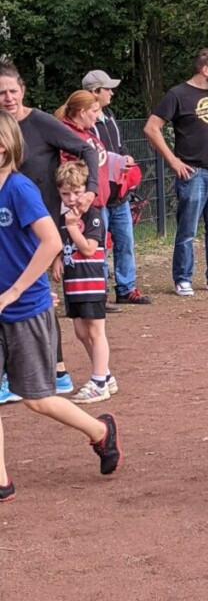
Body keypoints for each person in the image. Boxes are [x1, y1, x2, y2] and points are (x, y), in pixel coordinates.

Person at [0, 111, 121, 503]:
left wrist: (14, 292)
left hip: (23, 309)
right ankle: (1, 480)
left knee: (37, 398)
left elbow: (51, 242)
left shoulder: (18, 189)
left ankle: (100, 431)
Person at [0, 61, 100, 396]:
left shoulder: (40, 122)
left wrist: (89, 191)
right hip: (9, 227)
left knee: (33, 297)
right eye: (1, 93)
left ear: (23, 90)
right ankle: (49, 371)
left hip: (41, 226)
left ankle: (52, 373)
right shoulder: (1, 128)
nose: (8, 97)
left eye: (13, 90)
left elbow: (85, 148)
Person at [143, 48, 208, 296]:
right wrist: (173, 161)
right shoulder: (178, 94)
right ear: (205, 69)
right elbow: (151, 128)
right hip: (192, 173)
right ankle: (182, 278)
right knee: (187, 230)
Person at [83, 70, 151, 305]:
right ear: (94, 92)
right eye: (107, 89)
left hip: (120, 194)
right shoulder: (83, 124)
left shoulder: (109, 115)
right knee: (99, 245)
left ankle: (126, 288)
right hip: (98, 196)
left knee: (125, 243)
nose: (111, 93)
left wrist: (126, 158)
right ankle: (98, 292)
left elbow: (120, 147)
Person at [53, 160, 116, 404]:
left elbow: (89, 249)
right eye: (65, 193)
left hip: (91, 283)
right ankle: (106, 374)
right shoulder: (63, 216)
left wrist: (72, 227)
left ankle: (99, 379)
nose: (71, 199)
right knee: (80, 332)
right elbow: (61, 242)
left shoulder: (93, 215)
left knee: (95, 331)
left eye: (76, 192)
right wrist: (57, 258)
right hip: (73, 284)